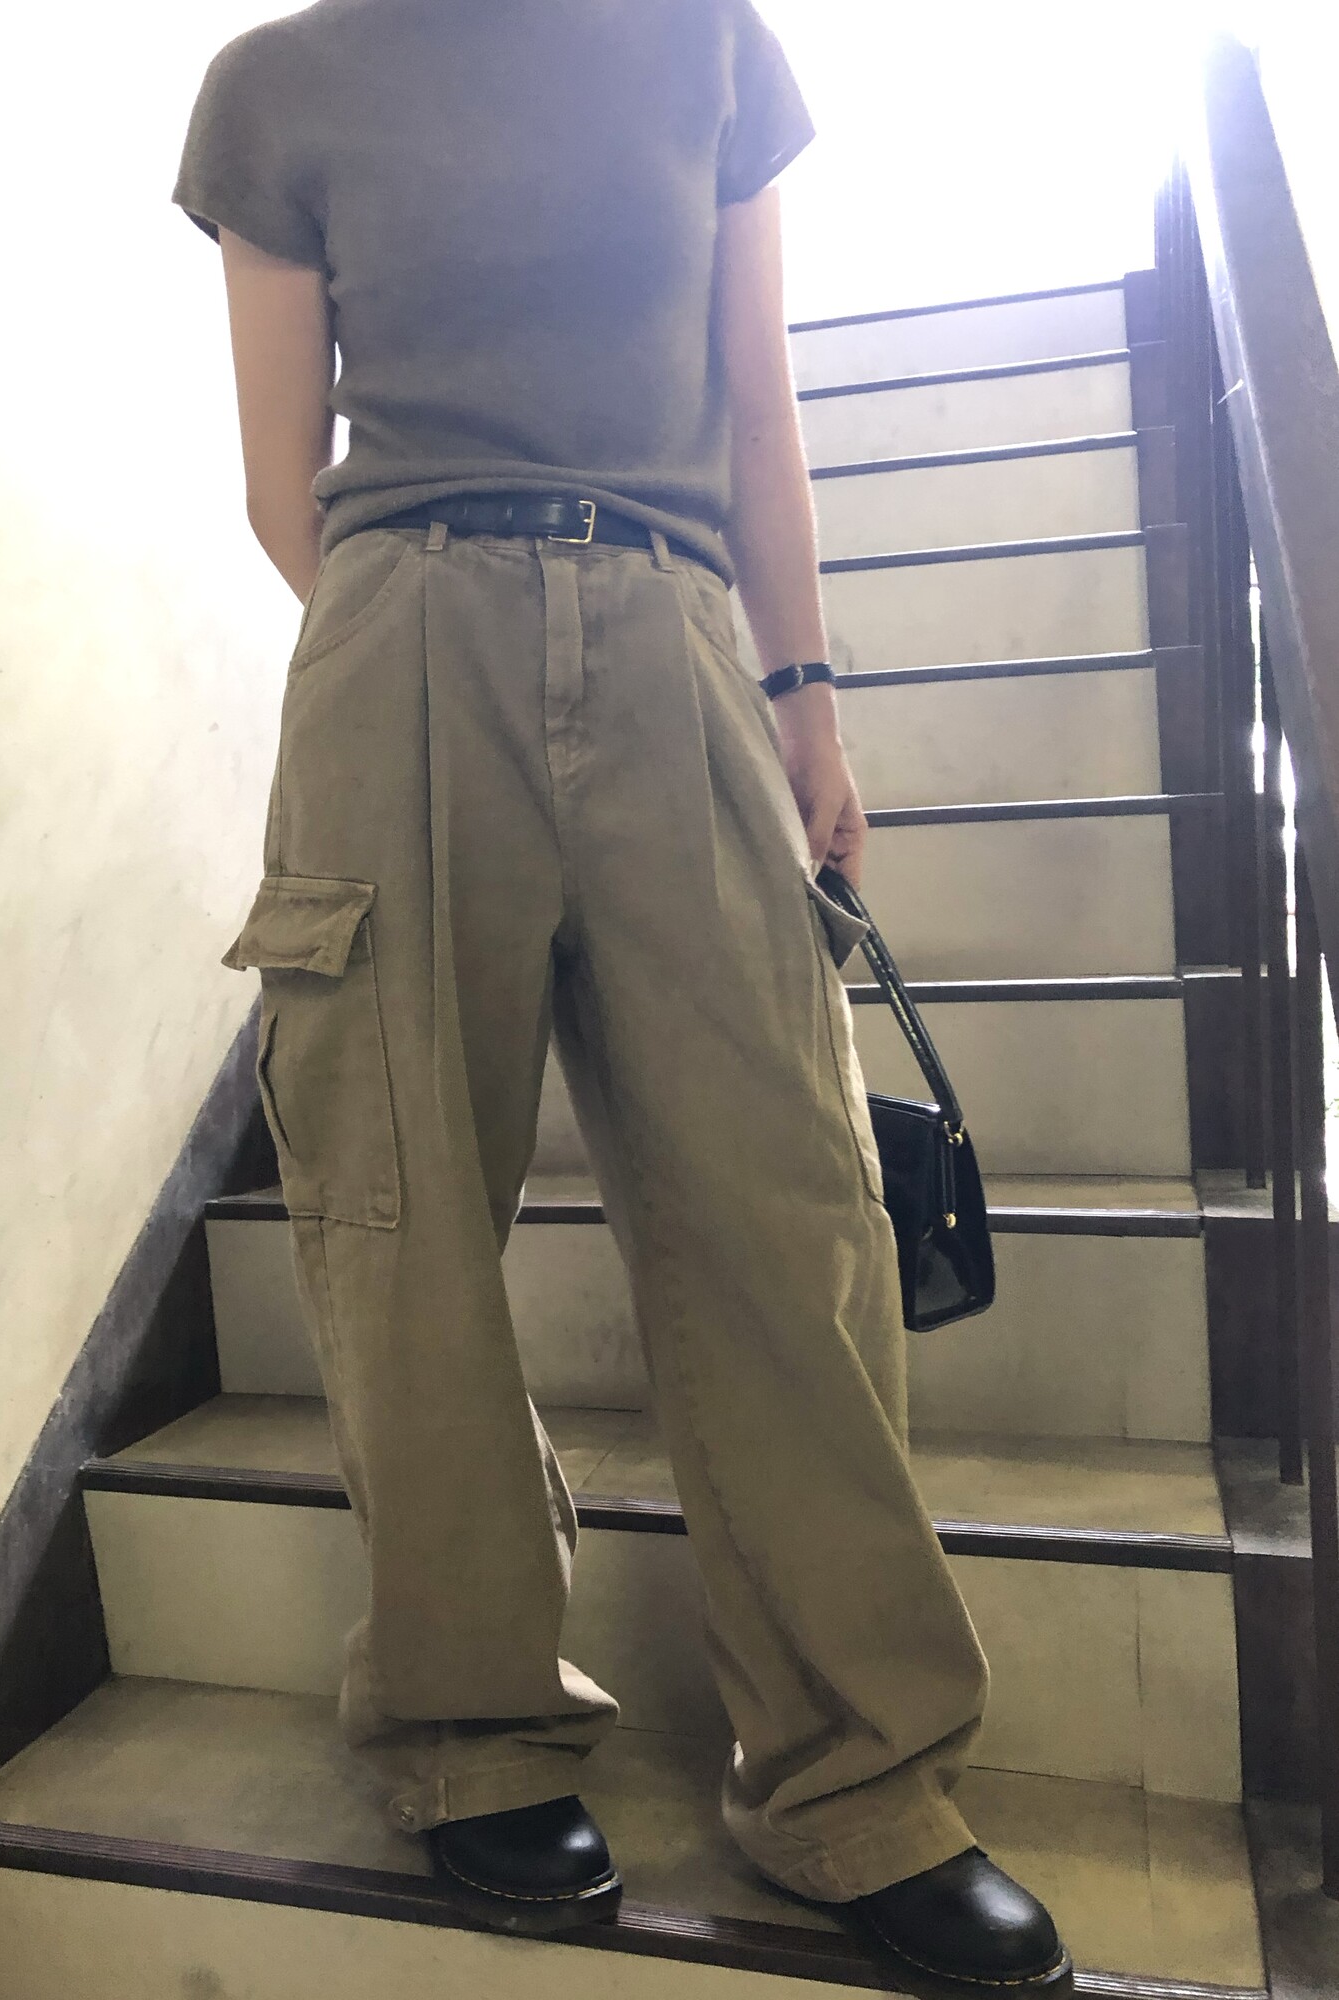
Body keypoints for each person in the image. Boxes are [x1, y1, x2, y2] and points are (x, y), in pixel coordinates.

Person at [173, 0, 1068, 1987]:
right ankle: (469, 1726)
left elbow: (757, 408)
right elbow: (278, 483)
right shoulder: (280, 87)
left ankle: (858, 1780)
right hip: (403, 638)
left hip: (678, 636)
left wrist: (805, 698)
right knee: (402, 1216)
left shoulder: (703, 44)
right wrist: (437, 652)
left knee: (790, 1206)